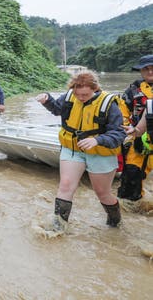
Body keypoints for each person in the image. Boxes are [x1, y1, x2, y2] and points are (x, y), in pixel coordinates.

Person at [35, 71, 125, 234]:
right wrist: (47, 100)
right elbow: (57, 109)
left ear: (95, 88)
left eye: (85, 94)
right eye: (78, 94)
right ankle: (58, 228)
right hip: (73, 148)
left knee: (102, 193)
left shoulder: (109, 104)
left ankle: (115, 223)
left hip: (100, 152)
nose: (81, 98)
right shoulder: (71, 96)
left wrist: (97, 140)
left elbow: (119, 134)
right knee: (65, 185)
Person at [118, 54, 153, 213]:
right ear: (140, 71)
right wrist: (128, 131)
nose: (150, 71)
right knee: (131, 177)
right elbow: (122, 113)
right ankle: (132, 212)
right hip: (138, 139)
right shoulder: (132, 91)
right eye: (146, 69)